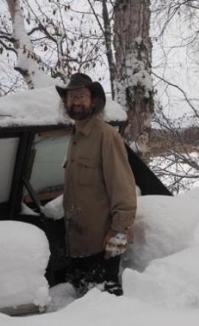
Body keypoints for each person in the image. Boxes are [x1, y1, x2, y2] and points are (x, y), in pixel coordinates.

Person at [56, 73, 137, 296]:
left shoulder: (106, 136)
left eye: (82, 96)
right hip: (77, 245)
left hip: (101, 249)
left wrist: (119, 231)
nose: (76, 102)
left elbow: (123, 188)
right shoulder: (76, 136)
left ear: (94, 101)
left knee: (103, 318)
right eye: (71, 97)